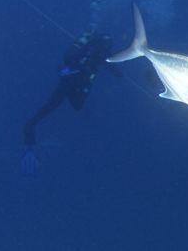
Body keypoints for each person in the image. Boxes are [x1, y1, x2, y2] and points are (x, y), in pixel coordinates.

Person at [21, 30, 120, 175]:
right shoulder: (100, 52)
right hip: (75, 83)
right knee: (75, 106)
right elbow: (114, 69)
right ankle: (30, 141)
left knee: (54, 107)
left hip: (68, 82)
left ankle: (30, 141)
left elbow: (110, 67)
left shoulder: (90, 49)